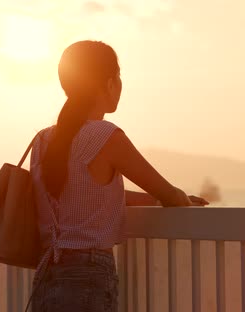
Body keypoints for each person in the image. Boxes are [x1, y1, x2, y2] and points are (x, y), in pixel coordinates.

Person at [29, 40, 208, 312]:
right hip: (87, 275)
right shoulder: (104, 136)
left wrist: (148, 200)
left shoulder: (43, 140)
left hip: (47, 273)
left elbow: (84, 194)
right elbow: (169, 193)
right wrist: (179, 199)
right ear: (110, 82)